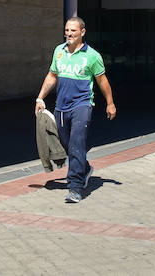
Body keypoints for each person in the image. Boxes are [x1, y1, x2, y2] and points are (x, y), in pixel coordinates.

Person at [35, 17, 116, 204]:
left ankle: (75, 188)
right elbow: (52, 76)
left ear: (82, 32)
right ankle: (85, 168)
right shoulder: (59, 51)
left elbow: (102, 81)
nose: (69, 34)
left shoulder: (92, 56)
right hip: (61, 107)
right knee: (66, 144)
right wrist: (40, 98)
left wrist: (110, 103)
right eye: (67, 30)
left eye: (73, 31)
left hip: (82, 105)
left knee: (77, 144)